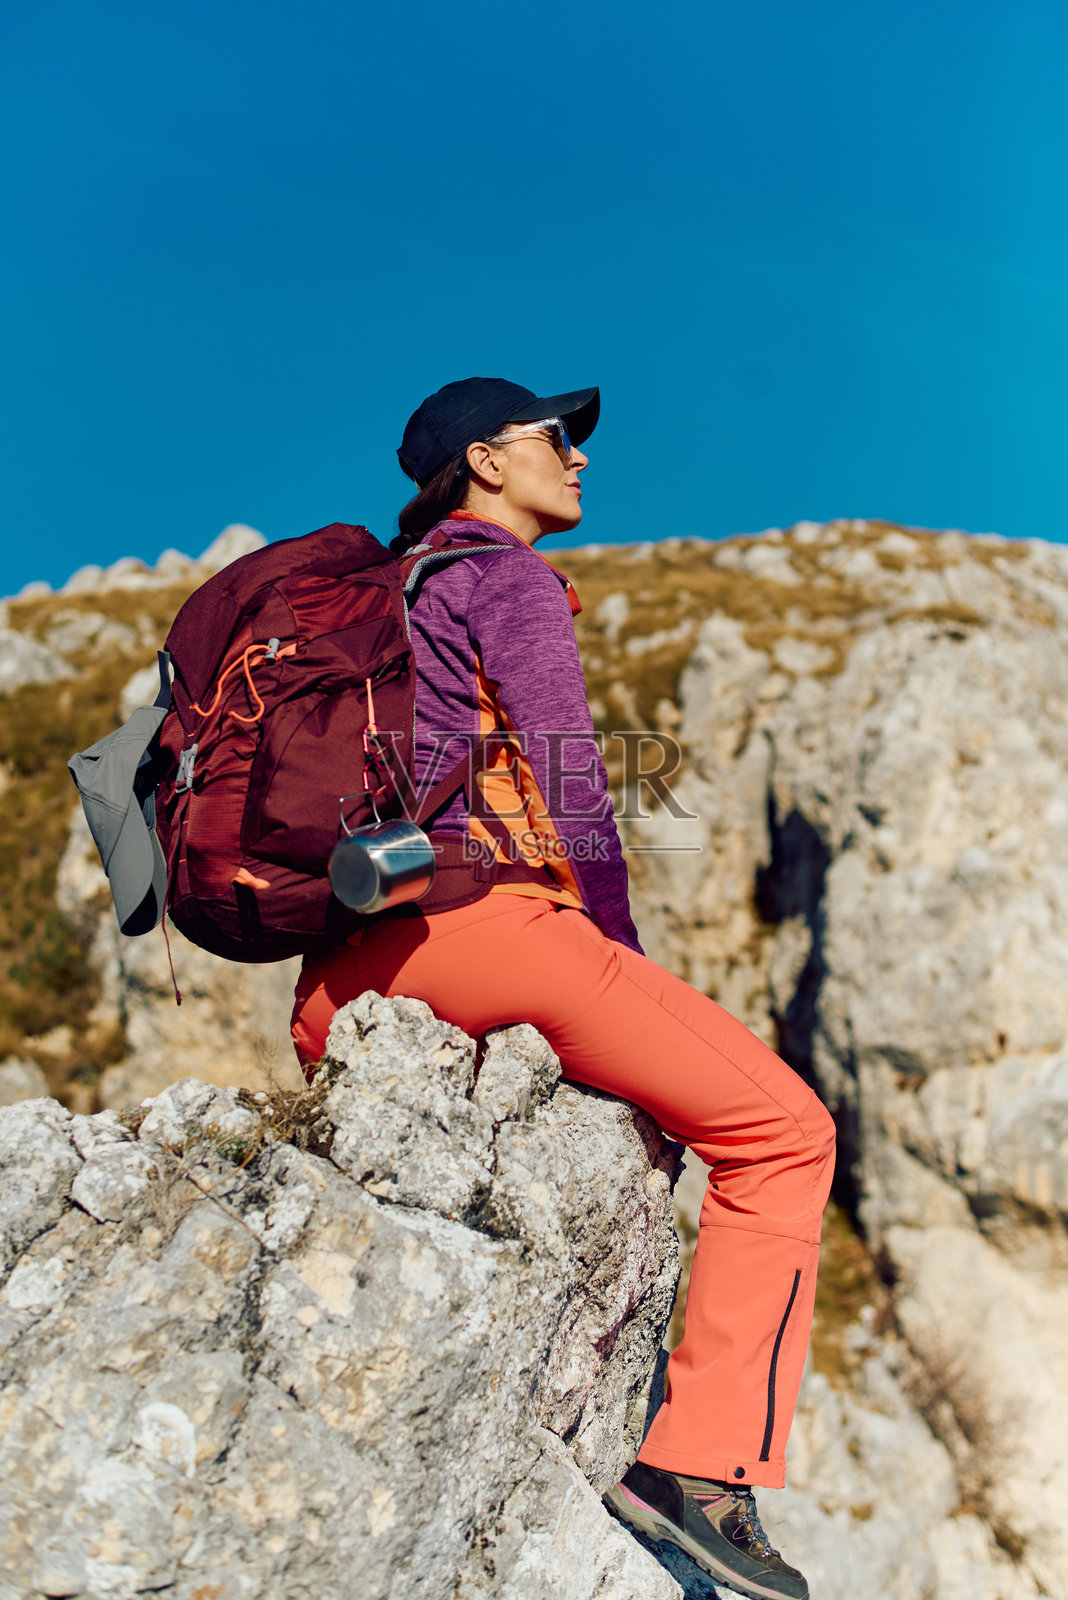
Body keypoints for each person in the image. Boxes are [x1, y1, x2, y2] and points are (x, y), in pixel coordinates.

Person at [290, 376, 835, 1600]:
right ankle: (700, 1470)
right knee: (787, 1134)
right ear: (486, 461)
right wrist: (623, 953)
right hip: (488, 931)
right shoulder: (502, 576)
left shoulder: (392, 598)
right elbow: (572, 782)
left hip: (339, 978)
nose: (581, 457)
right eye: (557, 437)